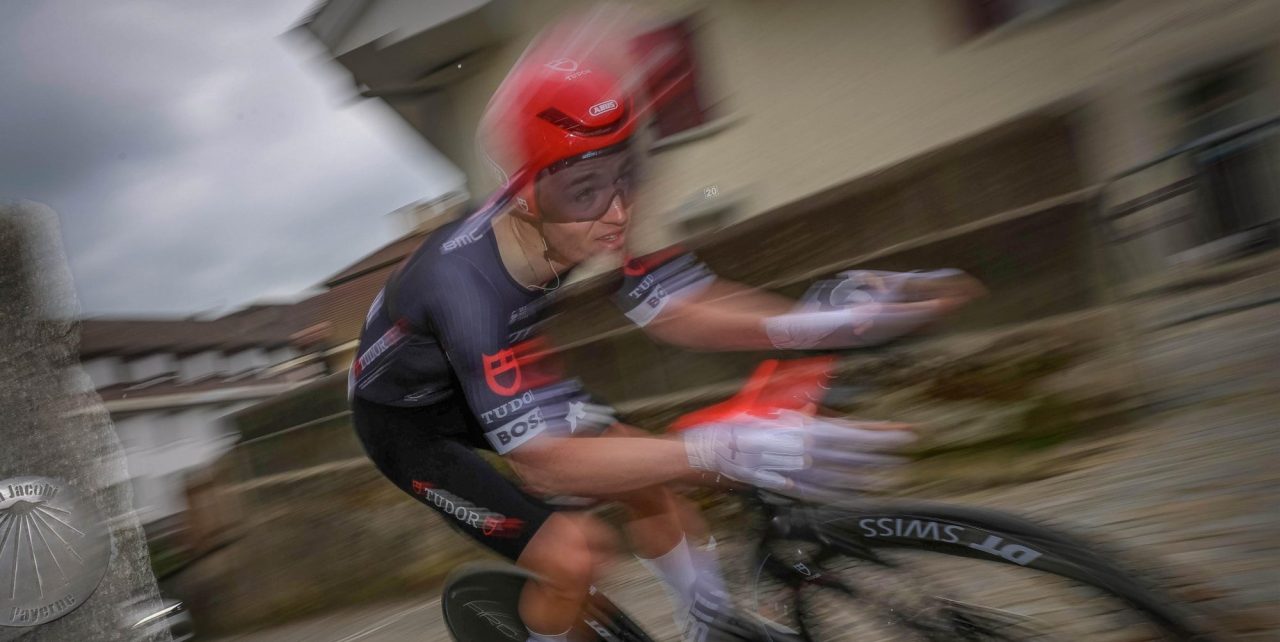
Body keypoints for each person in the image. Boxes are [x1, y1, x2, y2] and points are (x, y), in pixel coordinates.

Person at [348, 11, 984, 642]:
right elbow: (546, 469)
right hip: (409, 423)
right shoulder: (463, 286)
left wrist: (824, 323)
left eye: (627, 174)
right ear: (525, 194)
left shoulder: (587, 201)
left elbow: (680, 309)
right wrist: (724, 450)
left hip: (494, 367)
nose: (619, 212)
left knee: (645, 475)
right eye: (589, 190)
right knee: (574, 555)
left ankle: (709, 627)